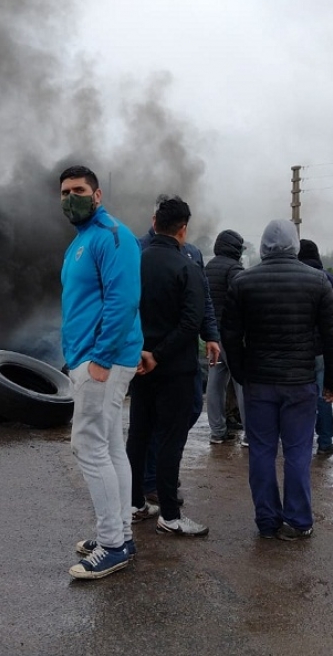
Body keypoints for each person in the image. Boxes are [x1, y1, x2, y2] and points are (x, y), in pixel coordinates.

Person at [221, 220, 333, 541]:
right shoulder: (318, 281)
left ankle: (267, 521)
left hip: (259, 383)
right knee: (298, 451)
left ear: (262, 245)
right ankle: (299, 520)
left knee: (261, 451)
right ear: (296, 244)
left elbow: (230, 336)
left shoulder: (243, 282)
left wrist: (240, 374)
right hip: (301, 383)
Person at [58, 166, 142, 580]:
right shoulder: (83, 239)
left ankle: (113, 545)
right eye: (65, 191)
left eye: (78, 190)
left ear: (97, 193)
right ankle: (119, 533)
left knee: (87, 446)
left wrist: (103, 359)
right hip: (89, 358)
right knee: (109, 448)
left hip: (100, 361)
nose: (70, 197)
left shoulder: (113, 235)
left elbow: (124, 300)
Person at [127, 196, 209, 537]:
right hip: (173, 370)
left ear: (154, 221)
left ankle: (134, 503)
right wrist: (159, 354)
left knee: (139, 435)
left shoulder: (134, 263)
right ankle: (171, 516)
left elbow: (122, 311)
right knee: (170, 440)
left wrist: (141, 353)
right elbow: (192, 323)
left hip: (138, 367)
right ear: (183, 229)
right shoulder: (187, 267)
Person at [137, 200, 220, 501]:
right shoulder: (138, 251)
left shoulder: (191, 254)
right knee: (149, 423)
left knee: (188, 411)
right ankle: (151, 483)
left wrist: (211, 334)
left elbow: (203, 299)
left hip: (177, 352)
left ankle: (159, 474)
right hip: (149, 354)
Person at [297, 239, 333, 455]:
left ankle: (300, 440)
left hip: (298, 347)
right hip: (322, 348)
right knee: (324, 395)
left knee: (298, 395)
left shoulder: (295, 277)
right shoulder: (329, 279)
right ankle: (325, 442)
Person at [205, 229, 245, 445]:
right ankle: (250, 433)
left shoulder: (207, 268)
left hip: (213, 335)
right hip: (232, 336)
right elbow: (243, 299)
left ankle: (217, 431)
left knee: (215, 383)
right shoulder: (234, 269)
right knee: (242, 382)